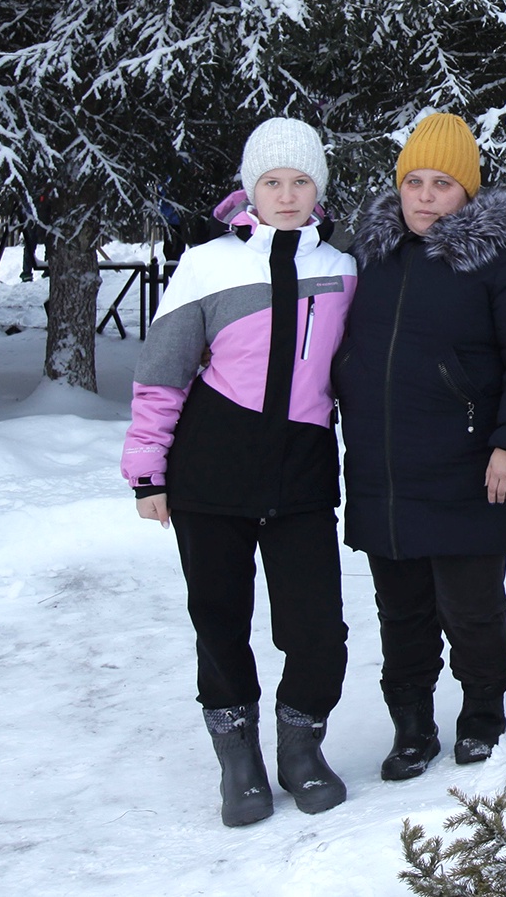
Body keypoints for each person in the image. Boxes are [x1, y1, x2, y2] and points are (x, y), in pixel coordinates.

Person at [121, 118, 357, 827]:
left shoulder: (344, 269)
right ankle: (240, 761)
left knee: (317, 628)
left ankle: (300, 746)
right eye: (273, 182)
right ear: (249, 190)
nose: (287, 195)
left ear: (319, 188)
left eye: (300, 181)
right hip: (211, 469)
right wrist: (147, 469)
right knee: (219, 620)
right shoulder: (208, 263)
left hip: (302, 469)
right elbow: (162, 371)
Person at [333, 111, 506, 779]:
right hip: (384, 471)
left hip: (469, 467)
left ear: (469, 192)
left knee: (472, 610)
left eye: (443, 184)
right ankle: (411, 727)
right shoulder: (369, 256)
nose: (425, 196)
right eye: (414, 182)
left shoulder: (501, 262)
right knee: (401, 613)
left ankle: (482, 713)